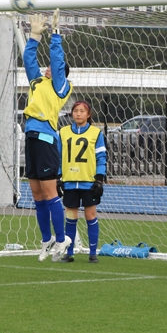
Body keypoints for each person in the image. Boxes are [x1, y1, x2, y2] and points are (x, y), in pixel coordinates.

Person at [23, 9, 73, 262]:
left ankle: (62, 238)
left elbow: (56, 58)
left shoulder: (60, 87)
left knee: (49, 192)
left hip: (45, 138)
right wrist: (34, 37)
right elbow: (29, 60)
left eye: (53, 68)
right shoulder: (37, 82)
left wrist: (55, 36)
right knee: (36, 193)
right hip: (30, 136)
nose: (47, 69)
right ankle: (46, 239)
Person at [57, 100, 107, 263]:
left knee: (90, 216)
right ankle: (69, 253)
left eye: (82, 111)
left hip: (88, 183)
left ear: (88, 114)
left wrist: (99, 179)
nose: (78, 113)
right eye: (75, 111)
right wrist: (58, 177)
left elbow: (101, 157)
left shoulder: (96, 133)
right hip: (70, 182)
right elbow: (58, 157)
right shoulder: (63, 132)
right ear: (72, 113)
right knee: (70, 217)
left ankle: (93, 253)